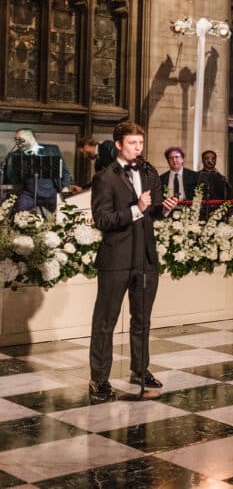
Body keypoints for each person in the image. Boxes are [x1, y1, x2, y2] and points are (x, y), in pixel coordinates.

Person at [88, 122, 178, 401]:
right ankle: (99, 379)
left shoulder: (150, 172)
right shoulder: (105, 177)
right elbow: (103, 220)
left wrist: (164, 209)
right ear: (118, 145)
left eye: (140, 143)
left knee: (143, 319)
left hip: (146, 257)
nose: (138, 148)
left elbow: (152, 212)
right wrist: (135, 209)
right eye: (132, 144)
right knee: (106, 321)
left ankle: (140, 370)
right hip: (116, 257)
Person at [2, 128, 72, 212]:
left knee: (60, 217)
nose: (17, 143)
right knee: (19, 214)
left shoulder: (52, 150)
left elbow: (64, 171)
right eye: (16, 140)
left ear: (31, 138)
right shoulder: (15, 155)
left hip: (51, 194)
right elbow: (9, 178)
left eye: (20, 140)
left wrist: (65, 188)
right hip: (28, 195)